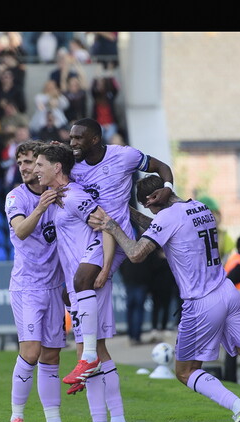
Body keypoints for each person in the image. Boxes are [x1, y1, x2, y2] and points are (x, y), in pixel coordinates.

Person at [90, 175, 240, 422]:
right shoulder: (199, 207)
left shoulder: (168, 218)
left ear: (155, 198)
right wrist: (131, 213)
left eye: (149, 207)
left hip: (201, 301)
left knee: (185, 371)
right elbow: (164, 227)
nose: (151, 213)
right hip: (227, 291)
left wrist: (112, 226)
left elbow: (136, 253)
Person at [61, 117, 174, 384]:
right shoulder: (72, 164)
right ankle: (106, 407)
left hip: (115, 235)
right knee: (71, 296)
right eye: (71, 137)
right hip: (89, 235)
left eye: (78, 138)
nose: (73, 142)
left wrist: (167, 189)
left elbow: (161, 166)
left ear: (95, 139)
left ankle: (87, 358)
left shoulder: (124, 156)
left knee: (82, 281)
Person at [35, 143, 130, 422]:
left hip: (89, 281)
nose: (36, 170)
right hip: (79, 284)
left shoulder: (75, 196)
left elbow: (107, 225)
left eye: (40, 164)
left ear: (57, 168)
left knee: (91, 353)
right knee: (101, 351)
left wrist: (103, 269)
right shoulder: (57, 199)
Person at [1, 140, 81, 422]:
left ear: (42, 165)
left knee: (51, 356)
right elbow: (21, 231)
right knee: (31, 352)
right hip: (27, 287)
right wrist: (41, 207)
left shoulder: (61, 193)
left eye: (29, 161)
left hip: (53, 287)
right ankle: (16, 419)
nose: (23, 167)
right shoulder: (16, 197)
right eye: (19, 162)